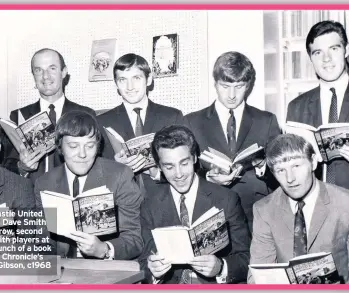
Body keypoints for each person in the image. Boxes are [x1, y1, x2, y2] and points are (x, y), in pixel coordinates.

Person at [139, 125, 251, 284]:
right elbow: (144, 262)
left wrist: (221, 267)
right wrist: (154, 272)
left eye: (184, 163)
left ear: (195, 158)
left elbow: (246, 258)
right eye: (169, 166)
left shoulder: (226, 200)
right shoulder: (150, 206)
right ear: (159, 167)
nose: (178, 174)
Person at [186, 51, 281, 232]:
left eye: (239, 86)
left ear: (249, 85)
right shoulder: (191, 122)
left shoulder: (266, 120)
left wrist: (262, 166)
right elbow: (183, 171)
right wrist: (207, 177)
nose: (231, 95)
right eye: (225, 86)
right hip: (209, 215)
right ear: (215, 84)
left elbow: (281, 174)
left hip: (257, 216)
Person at [34, 111, 143, 260]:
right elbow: (44, 242)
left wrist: (104, 249)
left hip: (107, 273)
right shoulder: (45, 183)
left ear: (98, 146)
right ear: (59, 147)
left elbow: (134, 240)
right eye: (73, 146)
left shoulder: (120, 176)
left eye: (90, 145)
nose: (82, 154)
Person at [247, 134, 349, 284]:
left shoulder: (348, 203)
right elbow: (257, 278)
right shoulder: (264, 210)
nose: (290, 178)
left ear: (313, 163)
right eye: (280, 170)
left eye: (296, 166)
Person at [96, 53, 187, 197]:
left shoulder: (172, 117)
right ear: (116, 84)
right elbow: (94, 173)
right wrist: (115, 167)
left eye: (136, 78)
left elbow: (187, 168)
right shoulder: (102, 122)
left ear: (149, 79)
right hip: (122, 205)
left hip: (164, 203)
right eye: (122, 80)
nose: (130, 87)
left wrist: (156, 172)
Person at [9, 48, 96, 182]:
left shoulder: (85, 114)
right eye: (38, 70)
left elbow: (96, 161)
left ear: (64, 72)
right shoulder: (18, 116)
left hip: (71, 193)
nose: (45, 76)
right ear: (33, 76)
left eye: (52, 68)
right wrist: (22, 167)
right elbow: (7, 165)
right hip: (31, 196)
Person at [286, 20, 349, 190]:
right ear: (310, 58)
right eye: (318, 53)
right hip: (315, 207)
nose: (326, 59)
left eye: (334, 49)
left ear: (347, 50)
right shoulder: (296, 107)